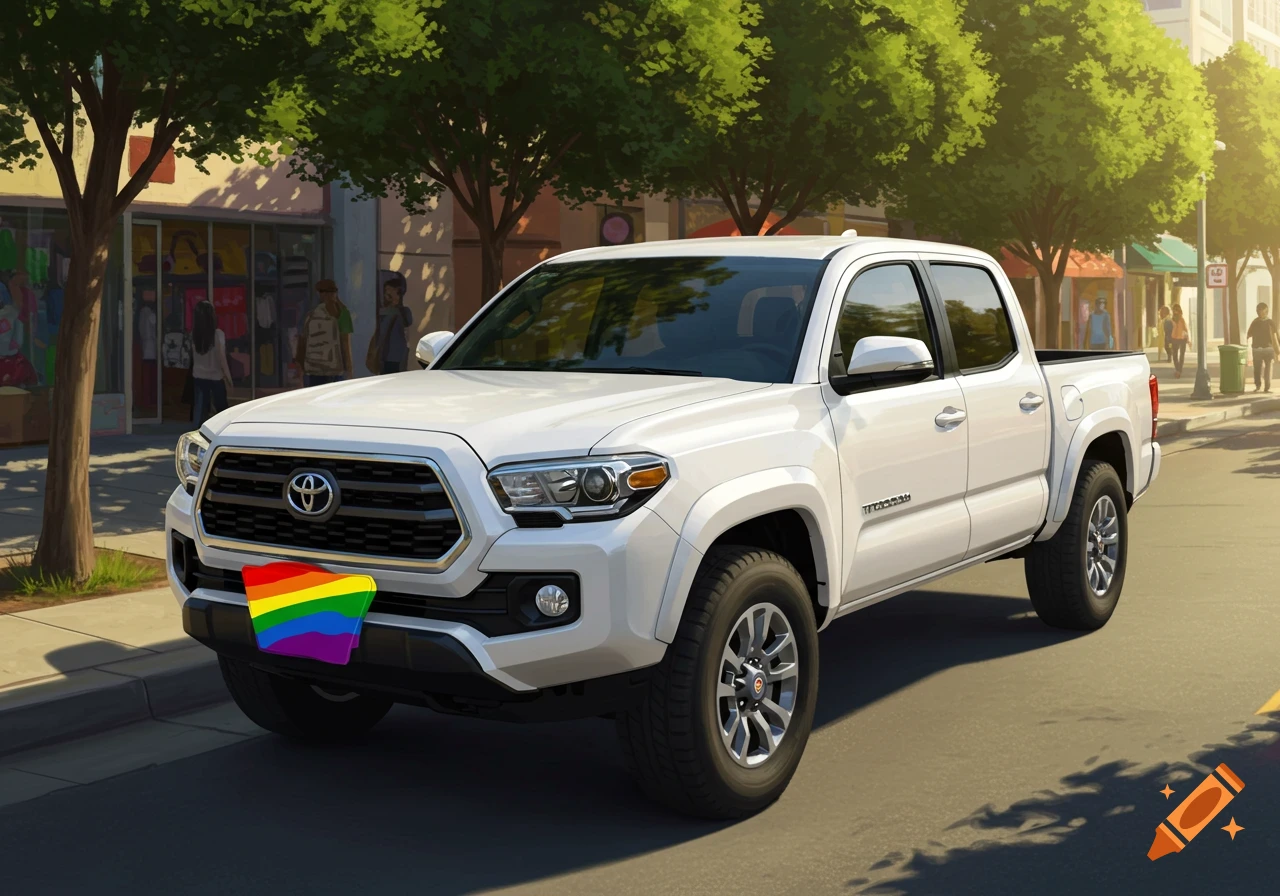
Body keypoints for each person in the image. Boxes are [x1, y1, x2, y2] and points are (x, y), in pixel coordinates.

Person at [295, 279, 353, 386]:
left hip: (313, 370)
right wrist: (349, 370)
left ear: (320, 294)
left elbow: (302, 342)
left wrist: (301, 368)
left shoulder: (311, 315)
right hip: (334, 370)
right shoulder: (343, 313)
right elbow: (345, 345)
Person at [190, 300, 234, 425]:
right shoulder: (218, 334)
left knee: (200, 411)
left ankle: (198, 431)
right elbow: (222, 359)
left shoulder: (193, 335)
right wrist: (229, 379)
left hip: (199, 376)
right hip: (216, 377)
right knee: (222, 411)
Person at [369, 275, 414, 375]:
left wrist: (396, 302)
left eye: (390, 292)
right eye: (386, 292)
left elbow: (408, 322)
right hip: (385, 355)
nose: (386, 295)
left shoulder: (403, 312)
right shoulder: (384, 311)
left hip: (396, 356)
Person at [1246, 302, 1280, 393]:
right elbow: (1249, 334)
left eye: (1262, 311)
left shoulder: (1269, 322)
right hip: (1257, 349)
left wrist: (1278, 349)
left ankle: (1266, 387)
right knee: (1258, 369)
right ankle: (1259, 386)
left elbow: (1276, 335)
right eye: (1259, 311)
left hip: (1268, 349)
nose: (1260, 313)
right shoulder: (1255, 322)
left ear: (1266, 312)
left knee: (1267, 369)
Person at [1169, 304, 1190, 378]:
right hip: (1174, 339)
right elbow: (1169, 330)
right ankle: (1177, 369)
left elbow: (1185, 329)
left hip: (1182, 339)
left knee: (1181, 355)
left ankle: (1179, 371)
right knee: (1174, 355)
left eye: (1177, 310)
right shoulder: (1171, 320)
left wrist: (1188, 339)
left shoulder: (1182, 319)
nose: (1175, 312)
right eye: (1174, 310)